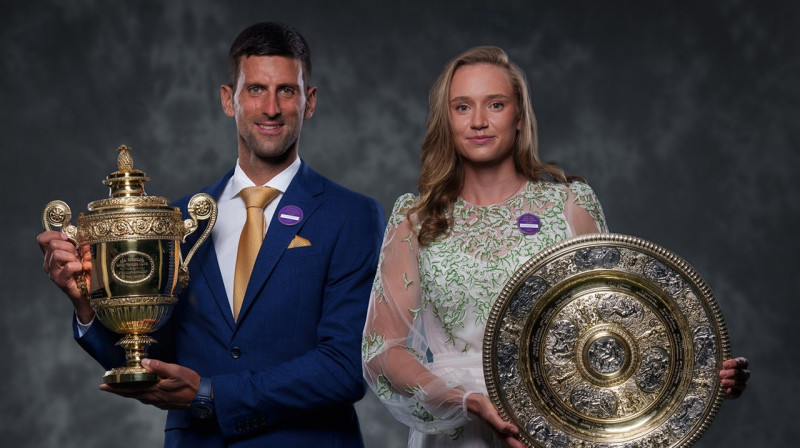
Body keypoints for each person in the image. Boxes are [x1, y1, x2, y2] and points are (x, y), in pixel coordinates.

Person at [361, 46, 749, 448]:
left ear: (518, 116)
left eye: (495, 104)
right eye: (462, 107)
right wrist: (467, 400)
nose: (478, 121)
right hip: (458, 429)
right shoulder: (416, 217)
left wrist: (701, 373)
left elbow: (614, 327)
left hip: (557, 424)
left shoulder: (570, 204)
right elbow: (382, 350)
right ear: (447, 120)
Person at [38, 22, 384, 447]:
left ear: (309, 102)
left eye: (286, 91)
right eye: (255, 89)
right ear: (228, 99)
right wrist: (85, 301)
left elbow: (346, 367)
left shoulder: (350, 215)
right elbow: (148, 357)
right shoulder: (176, 220)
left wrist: (211, 395)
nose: (270, 108)